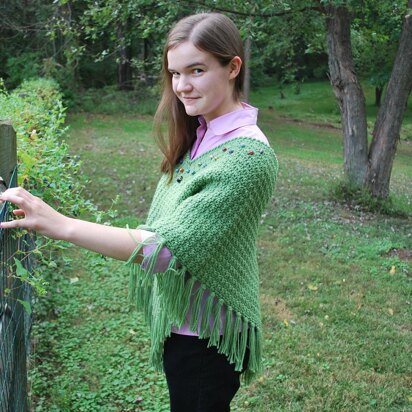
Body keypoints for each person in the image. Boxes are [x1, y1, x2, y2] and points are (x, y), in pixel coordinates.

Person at [0, 13, 278, 412]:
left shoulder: (247, 156)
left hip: (207, 338)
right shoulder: (202, 133)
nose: (182, 86)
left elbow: (166, 251)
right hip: (183, 324)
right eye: (175, 73)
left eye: (196, 71)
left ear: (233, 67)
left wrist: (61, 225)